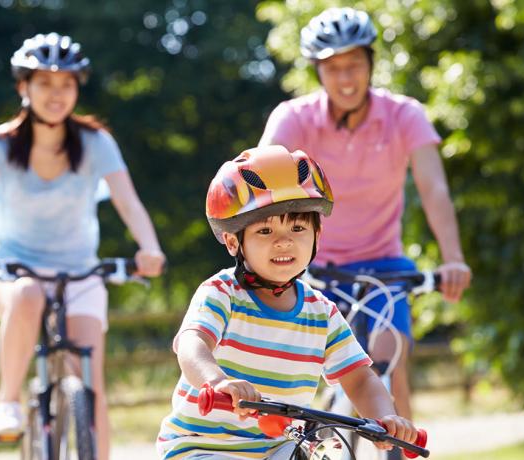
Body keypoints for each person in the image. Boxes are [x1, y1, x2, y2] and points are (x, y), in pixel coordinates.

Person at [0, 32, 165, 460]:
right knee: (28, 294)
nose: (56, 94)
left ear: (77, 89)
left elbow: (129, 203)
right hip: (11, 270)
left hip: (78, 273)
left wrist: (150, 248)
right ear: (23, 87)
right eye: (45, 83)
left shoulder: (95, 143)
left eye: (66, 84)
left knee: (90, 384)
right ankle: (8, 401)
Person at [258, 7, 472, 421]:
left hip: (384, 264)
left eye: (354, 64)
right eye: (333, 67)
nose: (345, 78)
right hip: (312, 264)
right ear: (318, 71)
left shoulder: (405, 115)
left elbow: (435, 189)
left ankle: (399, 448)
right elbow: (258, 182)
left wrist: (453, 258)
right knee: (293, 373)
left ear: (371, 63)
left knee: (389, 362)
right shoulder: (294, 118)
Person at [156, 145, 417, 459]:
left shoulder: (322, 313)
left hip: (278, 449)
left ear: (317, 235)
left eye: (297, 227)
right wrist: (218, 382)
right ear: (233, 241)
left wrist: (385, 417)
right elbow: (191, 343)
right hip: (201, 447)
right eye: (265, 230)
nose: (283, 241)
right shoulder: (221, 293)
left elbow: (360, 379)